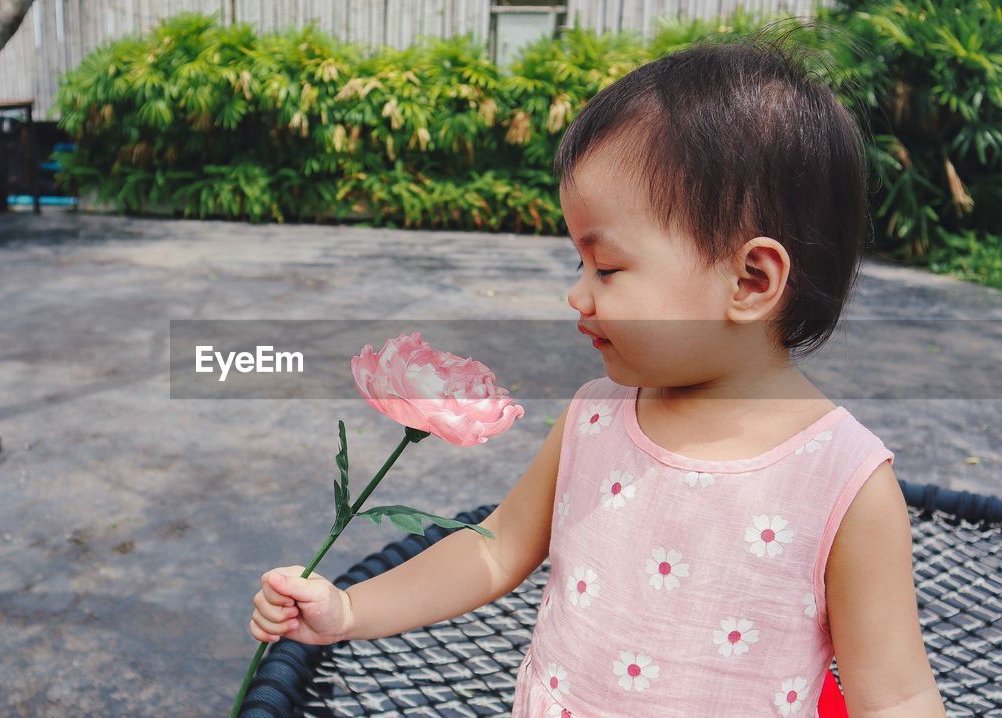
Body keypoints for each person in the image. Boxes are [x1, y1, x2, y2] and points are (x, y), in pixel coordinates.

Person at [248, 34, 947, 717]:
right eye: (578, 267)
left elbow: (896, 695)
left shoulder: (844, 484)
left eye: (606, 268)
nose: (578, 296)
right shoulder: (595, 417)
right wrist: (347, 610)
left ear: (751, 279)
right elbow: (493, 553)